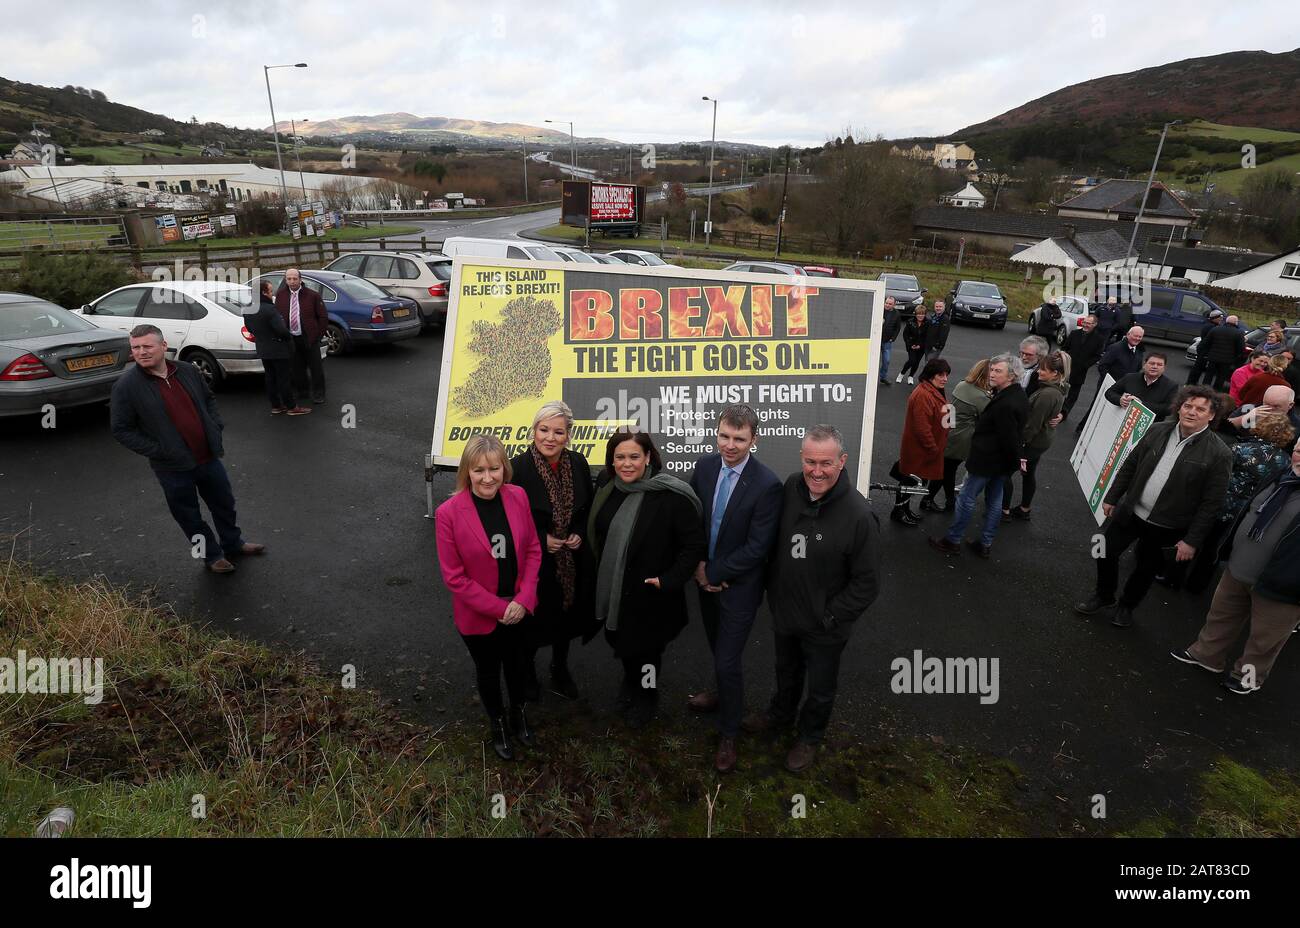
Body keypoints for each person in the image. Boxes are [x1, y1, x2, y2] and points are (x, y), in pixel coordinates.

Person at [745, 425, 881, 773]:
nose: (816, 471)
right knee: (786, 672)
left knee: (820, 687)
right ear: (801, 459)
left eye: (825, 463)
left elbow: (866, 584)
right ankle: (780, 715)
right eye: (810, 461)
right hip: (787, 614)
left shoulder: (860, 516)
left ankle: (809, 737)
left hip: (825, 626)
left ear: (842, 461)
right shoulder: (791, 486)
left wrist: (829, 616)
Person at [110, 324, 265, 574]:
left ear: (163, 346)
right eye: (136, 348)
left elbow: (208, 399)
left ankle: (233, 543)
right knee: (188, 515)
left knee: (224, 504)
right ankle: (212, 556)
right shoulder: (126, 386)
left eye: (147, 346)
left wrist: (215, 425)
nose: (141, 352)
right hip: (172, 466)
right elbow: (121, 429)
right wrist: (158, 450)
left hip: (207, 456)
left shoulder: (186, 370)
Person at [1074, 386, 1232, 628]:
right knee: (1103, 550)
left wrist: (1191, 540)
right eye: (1187, 406)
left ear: (1211, 416)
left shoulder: (1219, 453)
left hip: (1168, 525)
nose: (1191, 412)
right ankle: (1104, 595)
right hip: (1132, 512)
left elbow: (1212, 503)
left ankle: (1127, 606)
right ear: (1179, 407)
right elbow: (1130, 464)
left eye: (1200, 409)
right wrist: (1112, 496)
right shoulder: (1157, 430)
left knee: (1145, 569)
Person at [686, 405, 782, 773]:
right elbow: (695, 521)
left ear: (754, 440)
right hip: (704, 578)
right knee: (717, 647)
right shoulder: (706, 467)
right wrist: (699, 567)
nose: (730, 445)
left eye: (739, 439)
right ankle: (720, 691)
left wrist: (715, 572)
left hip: (739, 587)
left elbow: (758, 547)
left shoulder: (767, 485)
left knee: (728, 659)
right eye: (725, 436)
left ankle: (729, 731)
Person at [588, 431, 705, 730]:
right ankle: (631, 681)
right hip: (615, 591)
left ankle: (647, 696)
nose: (627, 464)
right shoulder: (607, 485)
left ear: (648, 457)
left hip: (653, 594)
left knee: (648, 652)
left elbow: (692, 545)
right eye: (620, 457)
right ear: (611, 460)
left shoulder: (670, 496)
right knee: (623, 643)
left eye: (634, 457)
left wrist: (668, 581)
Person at [435, 435, 542, 761]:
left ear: (503, 468)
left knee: (518, 666)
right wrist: (499, 608)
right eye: (478, 470)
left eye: (494, 469)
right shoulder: (448, 513)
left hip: (520, 608)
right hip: (480, 616)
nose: (487, 477)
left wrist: (522, 600)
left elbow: (534, 551)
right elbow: (455, 577)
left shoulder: (518, 496)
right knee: (488, 670)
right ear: (467, 471)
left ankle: (518, 714)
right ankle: (497, 723)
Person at [1173, 435, 1300, 694]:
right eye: (1298, 450)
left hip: (1282, 585)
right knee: (1221, 615)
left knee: (1265, 639)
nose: (1298, 456)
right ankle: (1206, 655)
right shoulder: (1280, 476)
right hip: (1239, 568)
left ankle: (1248, 677)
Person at [509, 401, 597, 702]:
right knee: (533, 619)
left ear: (568, 435)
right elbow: (508, 517)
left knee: (566, 617)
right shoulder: (517, 467)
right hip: (534, 560)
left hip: (571, 560)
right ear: (534, 431)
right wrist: (538, 539)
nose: (550, 437)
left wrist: (580, 533)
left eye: (558, 432)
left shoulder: (578, 462)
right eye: (543, 429)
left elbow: (590, 509)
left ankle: (560, 668)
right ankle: (528, 672)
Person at [1180, 413, 1297, 594]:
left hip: (1218, 504)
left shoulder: (1241, 449)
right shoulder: (1286, 462)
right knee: (1214, 550)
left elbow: (1215, 475)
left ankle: (1173, 577)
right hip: (1243, 514)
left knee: (1195, 538)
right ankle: (1196, 586)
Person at [929, 353, 1028, 559]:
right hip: (1001, 464)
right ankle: (985, 543)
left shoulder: (1005, 403)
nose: (991, 373)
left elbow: (1008, 437)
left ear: (1011, 376)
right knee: (994, 501)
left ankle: (952, 540)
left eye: (997, 371)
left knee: (966, 499)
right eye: (992, 369)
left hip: (987, 461)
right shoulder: (1017, 395)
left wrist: (1011, 461)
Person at [1003, 351, 1067, 520]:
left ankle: (1004, 512)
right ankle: (1025, 509)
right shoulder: (1055, 389)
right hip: (1042, 440)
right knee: (1029, 474)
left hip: (1033, 443)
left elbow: (1033, 424)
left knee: (1004, 473)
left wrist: (1021, 445)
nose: (1039, 372)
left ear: (1055, 374)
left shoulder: (1047, 394)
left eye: (1043, 369)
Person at [892, 358, 950, 525]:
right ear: (931, 375)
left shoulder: (935, 390)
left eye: (946, 374)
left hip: (926, 449)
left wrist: (950, 423)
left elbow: (947, 410)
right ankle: (898, 511)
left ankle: (905, 509)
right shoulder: (923, 395)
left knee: (913, 481)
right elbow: (922, 428)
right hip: (920, 450)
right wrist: (933, 449)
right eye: (941, 374)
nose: (945, 378)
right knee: (908, 482)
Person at [931, 359, 992, 513]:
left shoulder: (961, 385)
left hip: (949, 429)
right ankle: (947, 501)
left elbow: (950, 408)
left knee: (944, 468)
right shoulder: (982, 397)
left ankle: (933, 499)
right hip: (963, 438)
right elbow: (985, 420)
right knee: (948, 470)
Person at [245, 280, 308, 416]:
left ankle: (276, 406)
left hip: (263, 347)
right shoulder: (269, 309)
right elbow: (281, 330)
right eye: (270, 290)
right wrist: (288, 337)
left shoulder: (248, 308)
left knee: (270, 378)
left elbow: (250, 328)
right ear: (263, 292)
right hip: (278, 349)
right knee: (283, 379)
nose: (271, 293)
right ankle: (291, 406)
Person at [275, 268, 329, 405]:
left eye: (294, 278)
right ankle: (302, 392)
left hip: (309, 338)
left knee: (316, 368)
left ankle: (319, 393)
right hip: (292, 338)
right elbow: (277, 317)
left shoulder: (313, 296)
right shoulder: (281, 296)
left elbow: (322, 317)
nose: (292, 281)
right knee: (297, 368)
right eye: (289, 279)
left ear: (300, 279)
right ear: (285, 280)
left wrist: (318, 335)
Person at [1103, 352, 1178, 421]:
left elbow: (1169, 409)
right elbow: (1109, 392)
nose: (1155, 367)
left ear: (1164, 368)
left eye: (1159, 365)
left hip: (1150, 428)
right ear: (1144, 364)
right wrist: (1120, 400)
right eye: (1152, 363)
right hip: (1123, 422)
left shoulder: (1171, 386)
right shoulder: (1130, 378)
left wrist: (1140, 405)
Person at [1061, 313, 1105, 421]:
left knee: (1073, 394)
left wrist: (1085, 365)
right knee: (1060, 390)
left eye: (1088, 323)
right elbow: (1065, 348)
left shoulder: (1099, 339)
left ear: (1094, 324)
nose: (1085, 325)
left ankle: (1064, 413)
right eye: (1084, 322)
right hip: (1066, 368)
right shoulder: (1074, 333)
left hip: (1080, 371)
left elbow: (1097, 356)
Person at [1201, 314, 1247, 392]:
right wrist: (1236, 357)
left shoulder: (1215, 329)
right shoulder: (1239, 333)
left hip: (1213, 357)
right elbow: (1241, 348)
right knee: (1221, 377)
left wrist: (1207, 353)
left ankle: (1204, 390)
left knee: (1208, 375)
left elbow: (1206, 342)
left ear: (1226, 321)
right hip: (1227, 360)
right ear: (1236, 323)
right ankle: (1216, 391)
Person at [1187, 309, 1224, 385]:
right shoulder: (1211, 327)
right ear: (1215, 318)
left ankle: (1192, 382)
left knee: (1199, 367)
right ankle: (1190, 383)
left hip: (1204, 349)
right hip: (1205, 350)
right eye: (1220, 317)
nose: (1221, 319)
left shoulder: (1211, 325)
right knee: (1198, 367)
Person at [896, 305, 928, 385]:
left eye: (922, 314)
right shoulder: (910, 322)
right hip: (911, 345)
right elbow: (905, 334)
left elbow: (927, 336)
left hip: (921, 347)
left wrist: (920, 345)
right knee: (912, 360)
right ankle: (901, 374)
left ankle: (911, 376)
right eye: (918, 314)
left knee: (917, 362)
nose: (920, 316)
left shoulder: (928, 323)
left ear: (925, 314)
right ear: (916, 314)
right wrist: (910, 344)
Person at [878, 296, 902, 386]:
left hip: (887, 341)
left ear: (894, 304)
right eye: (886, 303)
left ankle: (883, 377)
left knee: (886, 360)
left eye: (890, 304)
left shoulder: (897, 314)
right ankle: (869, 377)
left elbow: (897, 328)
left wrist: (893, 338)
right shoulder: (878, 310)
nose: (887, 305)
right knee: (872, 361)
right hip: (876, 340)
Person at [922, 298, 951, 364]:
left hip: (935, 347)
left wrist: (937, 346)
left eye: (940, 306)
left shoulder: (945, 319)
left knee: (930, 363)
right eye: (937, 306)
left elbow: (943, 335)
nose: (938, 308)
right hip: (928, 345)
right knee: (927, 361)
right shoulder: (933, 316)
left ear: (944, 307)